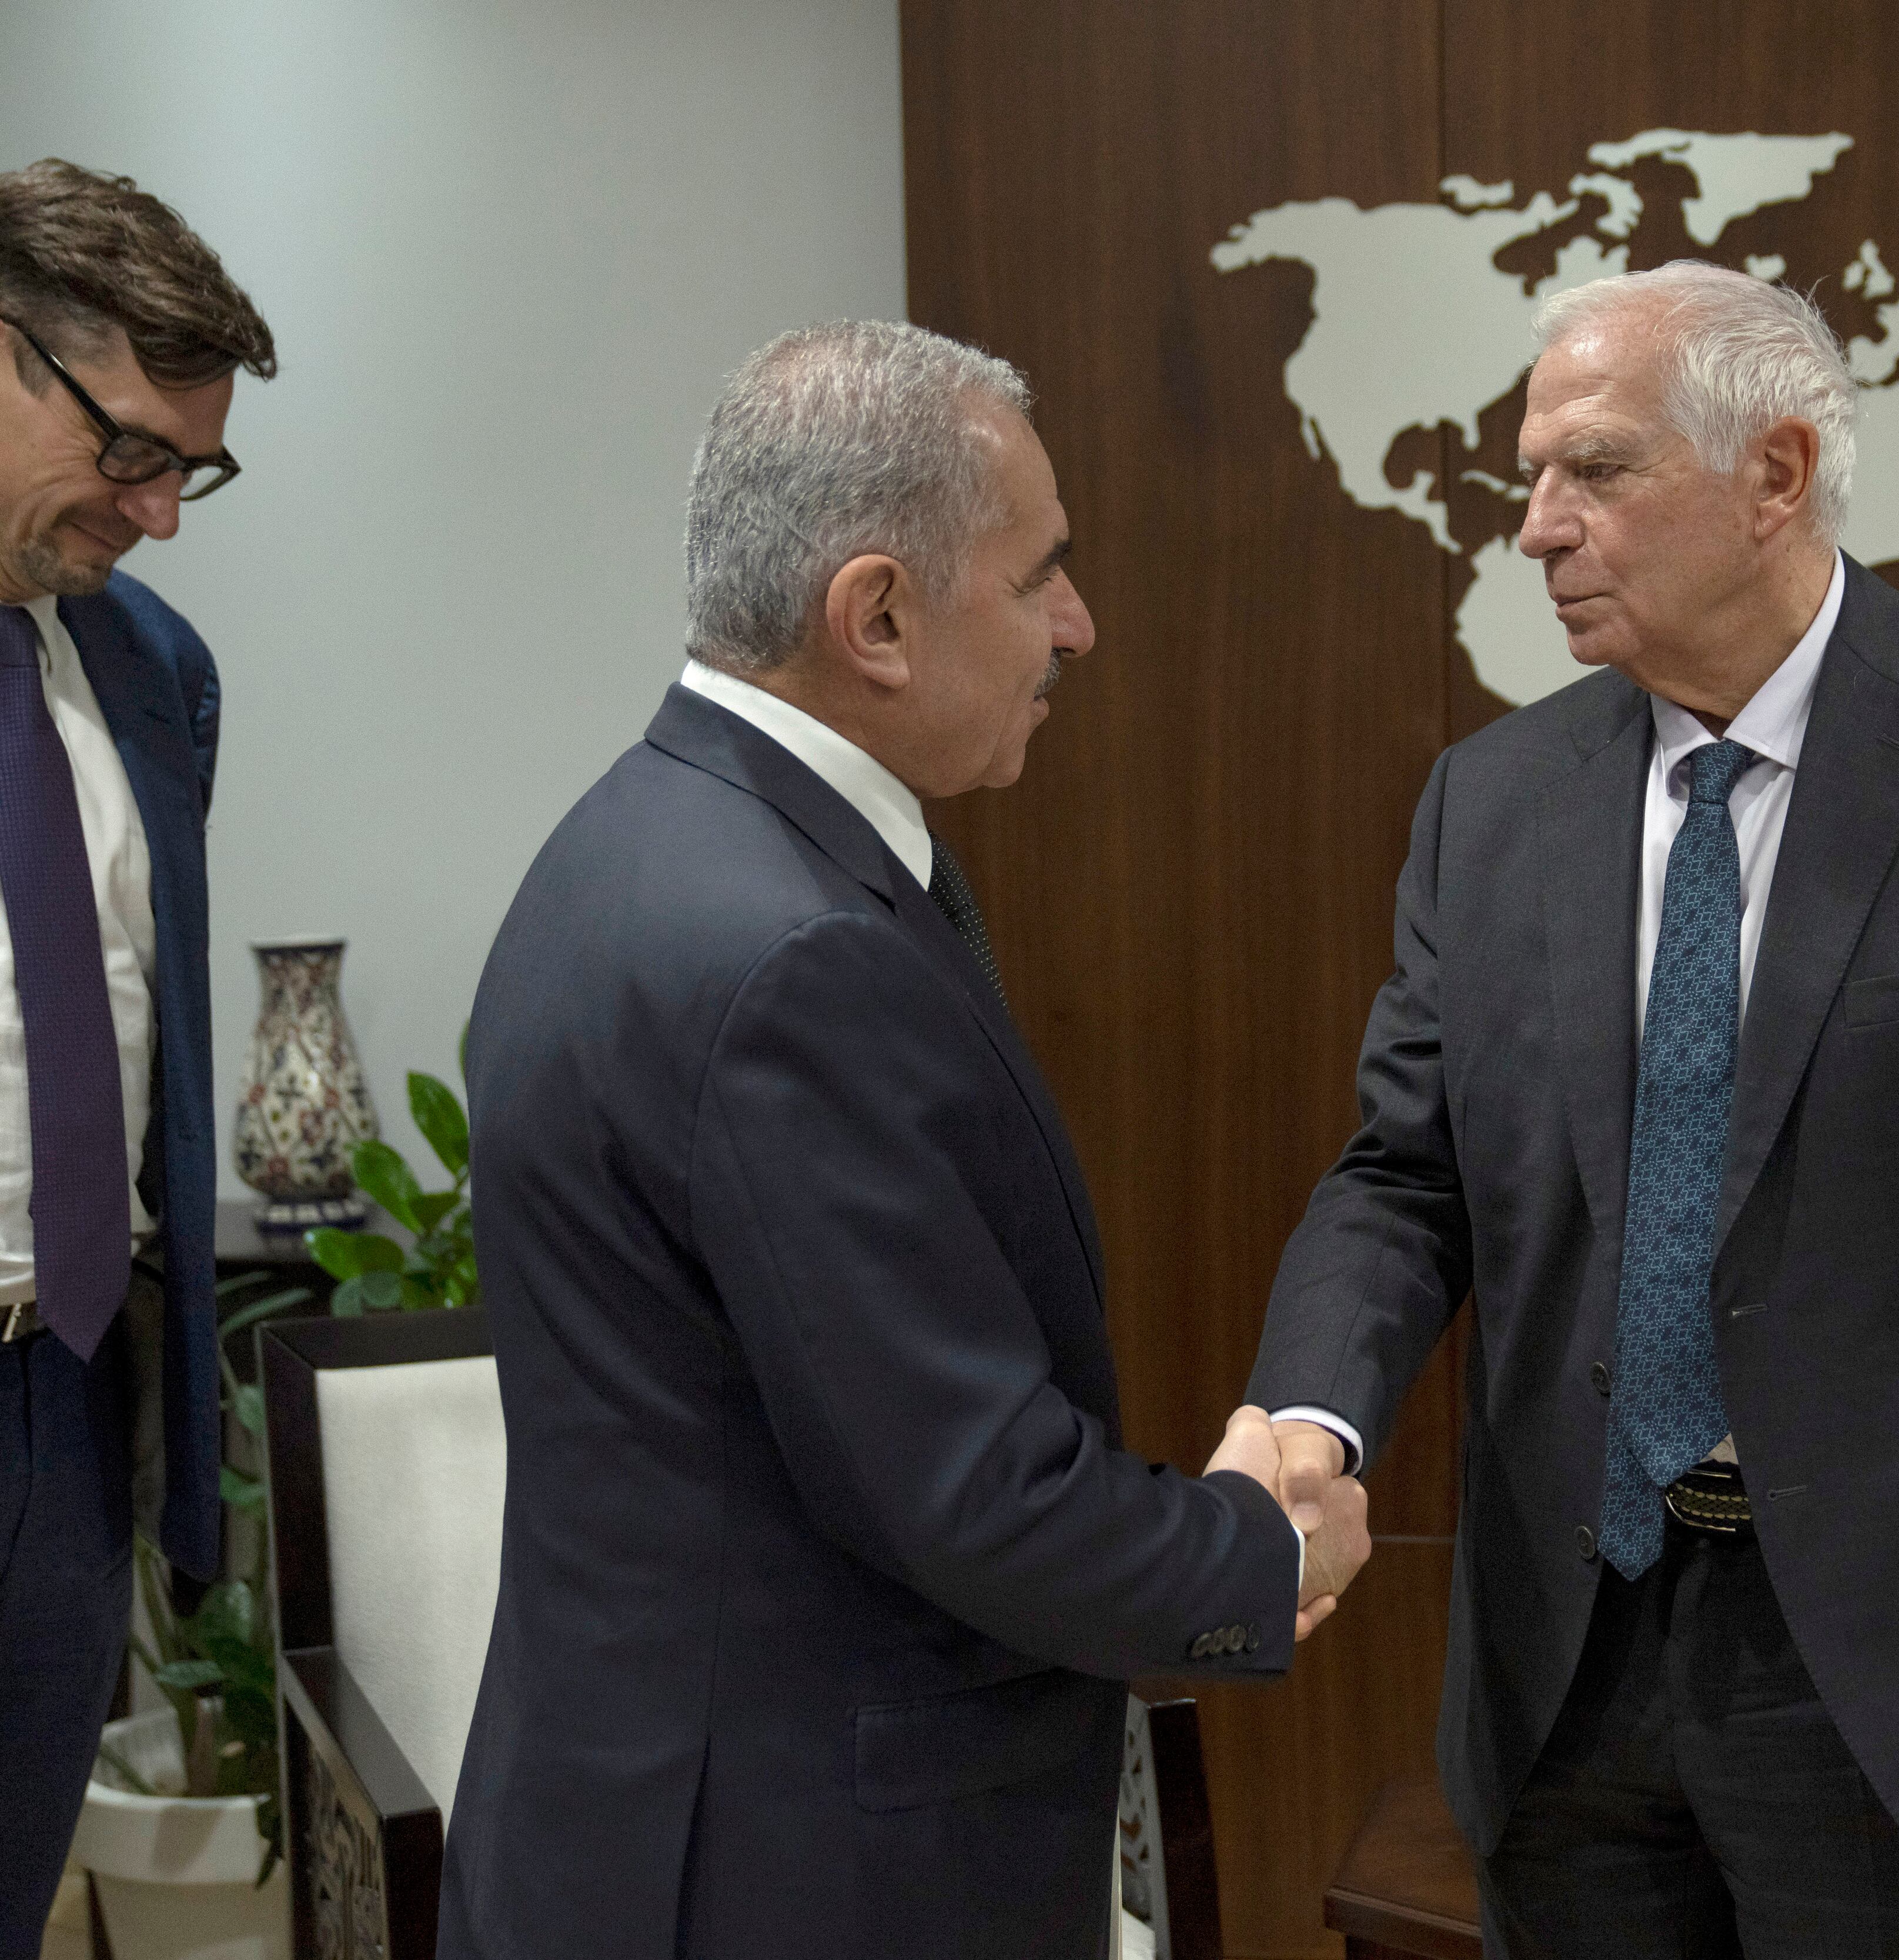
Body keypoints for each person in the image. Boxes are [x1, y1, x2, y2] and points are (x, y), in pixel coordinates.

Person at [1248, 263, 1899, 1958]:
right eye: (1531, 476)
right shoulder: (1493, 804)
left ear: (1777, 477)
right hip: (1571, 1662)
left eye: (1595, 471)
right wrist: (1311, 1412)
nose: (1537, 527)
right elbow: (1404, 1174)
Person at [443, 320, 1369, 1960]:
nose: (1076, 628)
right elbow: (968, 1495)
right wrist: (1256, 1545)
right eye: (1040, 578)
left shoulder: (636, 839)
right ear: (876, 614)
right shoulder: (798, 952)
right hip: (799, 1870)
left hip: (644, 1817)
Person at [0, 160, 270, 1960]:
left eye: (194, 467)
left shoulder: (151, 670)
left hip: (62, 1408)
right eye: (130, 454)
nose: (162, 514)